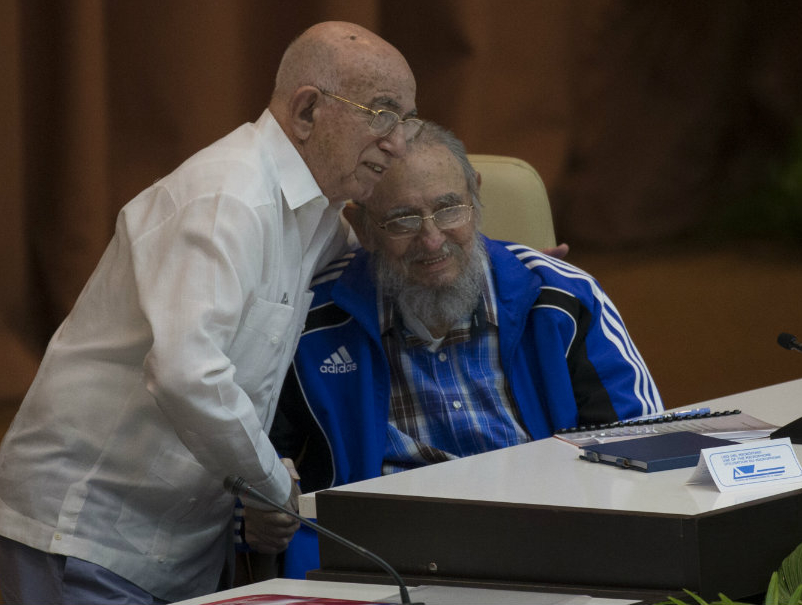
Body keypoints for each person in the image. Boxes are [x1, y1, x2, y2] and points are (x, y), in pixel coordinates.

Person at [0, 21, 422, 604]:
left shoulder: (319, 211)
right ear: (308, 111)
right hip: (89, 527)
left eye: (408, 122)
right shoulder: (229, 201)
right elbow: (186, 373)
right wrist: (272, 485)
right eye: (383, 115)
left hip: (180, 534)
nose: (399, 143)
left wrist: (503, 265)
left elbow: (380, 275)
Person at [263, 122, 663, 576]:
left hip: (549, 544)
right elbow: (259, 474)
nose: (432, 240)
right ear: (361, 226)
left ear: (475, 196)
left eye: (449, 209)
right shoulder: (311, 322)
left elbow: (643, 447)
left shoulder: (561, 299)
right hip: (379, 564)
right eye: (402, 219)